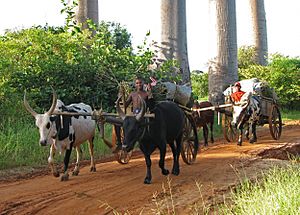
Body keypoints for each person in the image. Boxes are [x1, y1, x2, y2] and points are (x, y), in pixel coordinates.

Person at [114, 77, 152, 152]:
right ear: (135, 84)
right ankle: (119, 142)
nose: (139, 84)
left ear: (143, 84)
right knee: (116, 122)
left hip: (143, 114)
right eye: (137, 83)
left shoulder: (146, 94)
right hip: (133, 115)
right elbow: (126, 105)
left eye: (140, 83)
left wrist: (150, 95)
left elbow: (150, 105)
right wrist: (121, 98)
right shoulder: (132, 94)